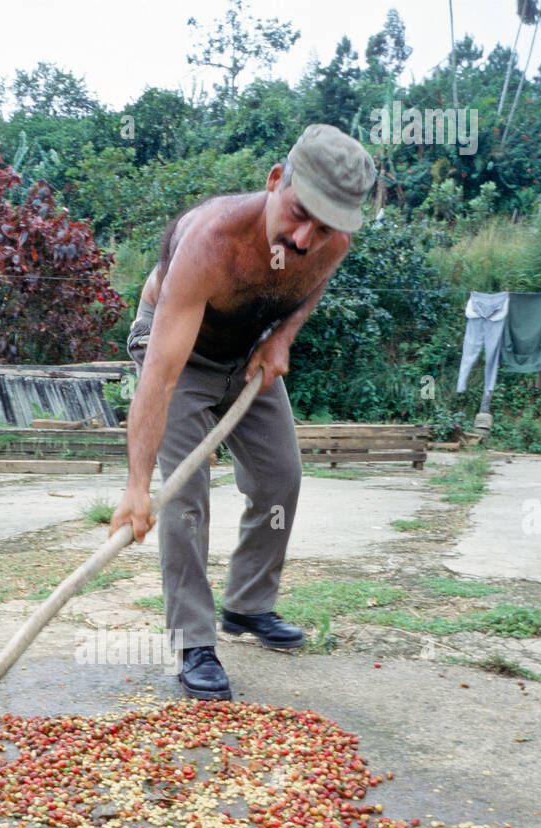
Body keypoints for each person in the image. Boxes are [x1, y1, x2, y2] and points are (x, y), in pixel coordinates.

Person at [109, 124, 376, 700]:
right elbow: (160, 375)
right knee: (185, 496)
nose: (305, 238)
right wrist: (136, 486)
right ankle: (192, 640)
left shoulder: (331, 242)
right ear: (275, 180)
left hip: (248, 351)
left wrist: (283, 336)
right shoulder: (209, 242)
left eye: (324, 227)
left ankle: (248, 606)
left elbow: (310, 287)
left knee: (281, 477)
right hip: (181, 354)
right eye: (299, 214)